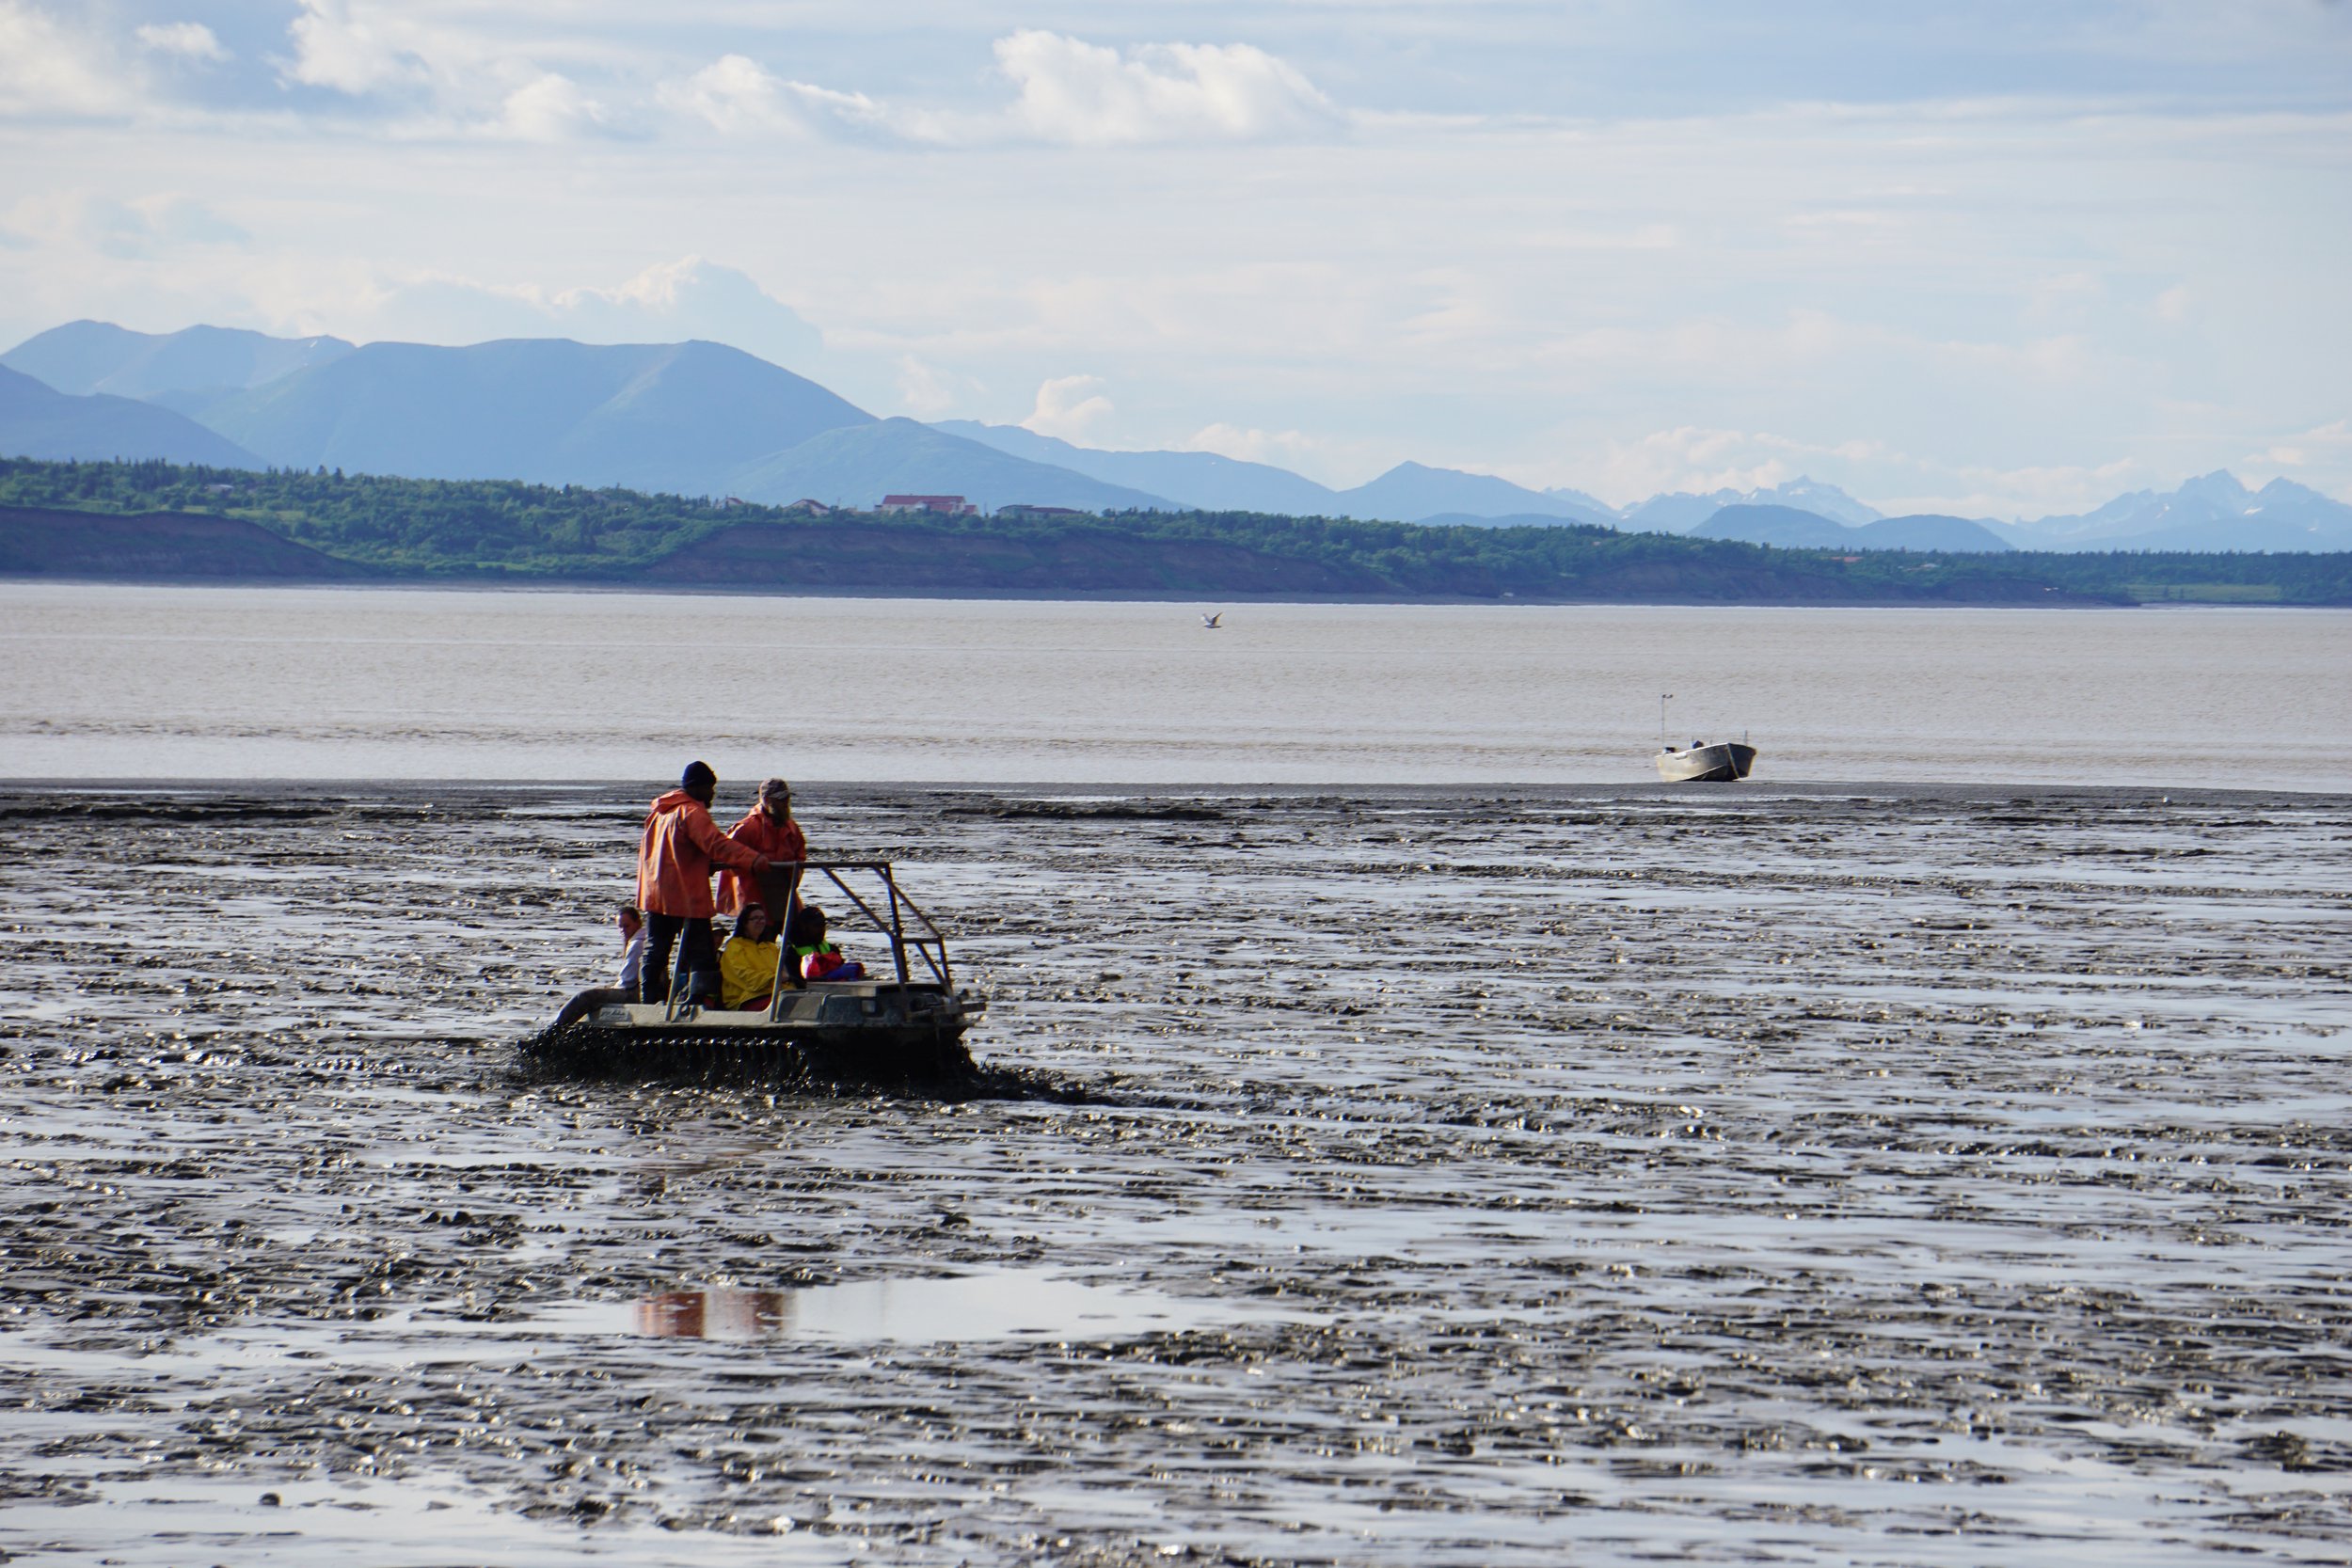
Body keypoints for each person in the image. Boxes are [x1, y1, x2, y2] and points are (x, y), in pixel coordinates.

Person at [637, 761, 772, 1006]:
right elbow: (716, 844)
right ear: (698, 787)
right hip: (686, 895)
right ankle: (700, 1004)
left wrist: (704, 861)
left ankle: (647, 1001)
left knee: (656, 950)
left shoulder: (660, 812)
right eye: (710, 787)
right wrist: (753, 859)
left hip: (656, 894)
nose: (713, 793)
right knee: (702, 954)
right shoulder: (692, 813)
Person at [720, 776, 805, 927]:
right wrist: (755, 866)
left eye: (786, 798)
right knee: (758, 942)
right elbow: (727, 859)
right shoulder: (747, 828)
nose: (785, 803)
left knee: (798, 937)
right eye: (780, 799)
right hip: (755, 897)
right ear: (766, 800)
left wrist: (794, 874)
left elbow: (800, 856)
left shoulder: (792, 828)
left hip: (784, 895)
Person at [718, 903, 785, 1011]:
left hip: (774, 993)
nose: (760, 922)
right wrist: (773, 978)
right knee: (785, 1006)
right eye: (755, 918)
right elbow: (744, 976)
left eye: (762, 918)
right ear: (745, 923)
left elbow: (784, 973)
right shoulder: (735, 946)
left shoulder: (771, 947)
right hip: (744, 998)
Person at [789, 903, 866, 982]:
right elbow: (796, 981)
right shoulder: (791, 953)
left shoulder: (833, 950)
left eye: (823, 925)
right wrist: (829, 977)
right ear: (803, 927)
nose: (822, 929)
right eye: (817, 925)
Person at [615, 905, 646, 991]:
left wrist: (613, 988)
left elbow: (627, 980)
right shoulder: (644, 938)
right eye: (620, 927)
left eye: (626, 926)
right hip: (638, 987)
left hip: (634, 990)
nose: (623, 930)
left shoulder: (636, 944)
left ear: (638, 923)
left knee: (583, 997)